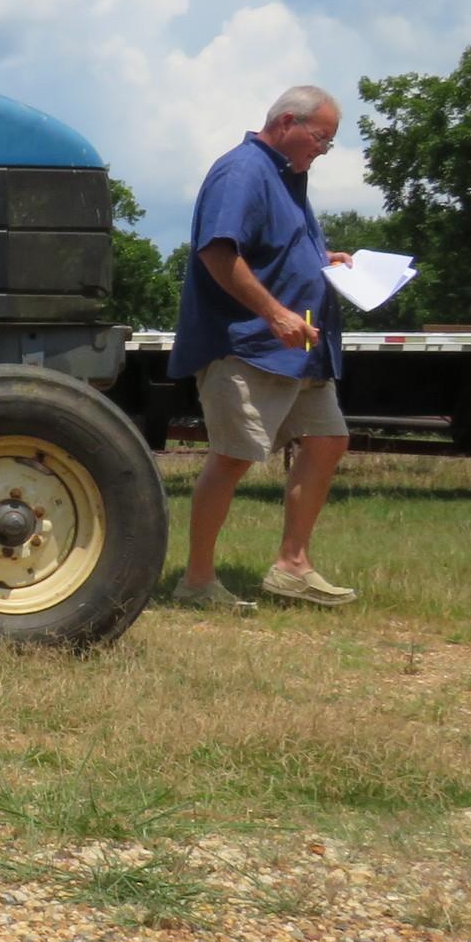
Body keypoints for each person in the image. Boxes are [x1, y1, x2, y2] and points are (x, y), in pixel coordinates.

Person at [167, 86, 357, 609]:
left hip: (300, 351)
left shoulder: (288, 177)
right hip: (247, 346)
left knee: (327, 441)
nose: (323, 149)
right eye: (321, 138)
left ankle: (293, 566)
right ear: (287, 122)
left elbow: (278, 248)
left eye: (329, 143)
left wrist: (325, 257)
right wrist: (274, 313)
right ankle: (197, 582)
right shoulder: (243, 171)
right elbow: (217, 250)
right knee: (231, 459)